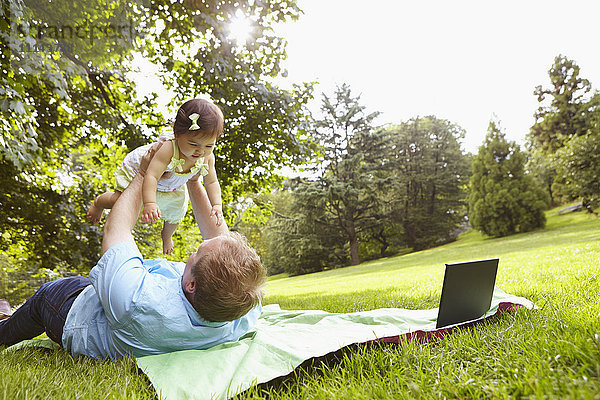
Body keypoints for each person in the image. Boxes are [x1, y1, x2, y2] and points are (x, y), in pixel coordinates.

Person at [0, 144, 266, 359]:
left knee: (45, 297)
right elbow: (221, 243)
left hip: (72, 315)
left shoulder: (136, 302)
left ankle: (5, 327)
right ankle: (10, 314)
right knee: (88, 284)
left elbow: (116, 231)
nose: (197, 248)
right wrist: (194, 181)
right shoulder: (240, 308)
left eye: (195, 252)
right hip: (109, 297)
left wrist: (143, 174)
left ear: (192, 284)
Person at [87, 98, 225, 255]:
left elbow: (211, 182)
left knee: (178, 211)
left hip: (171, 184)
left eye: (209, 145)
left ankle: (167, 235)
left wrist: (216, 204)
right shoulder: (168, 148)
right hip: (142, 172)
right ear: (177, 134)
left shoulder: (207, 157)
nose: (200, 151)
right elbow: (151, 175)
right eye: (193, 144)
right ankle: (98, 203)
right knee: (118, 201)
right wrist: (150, 203)